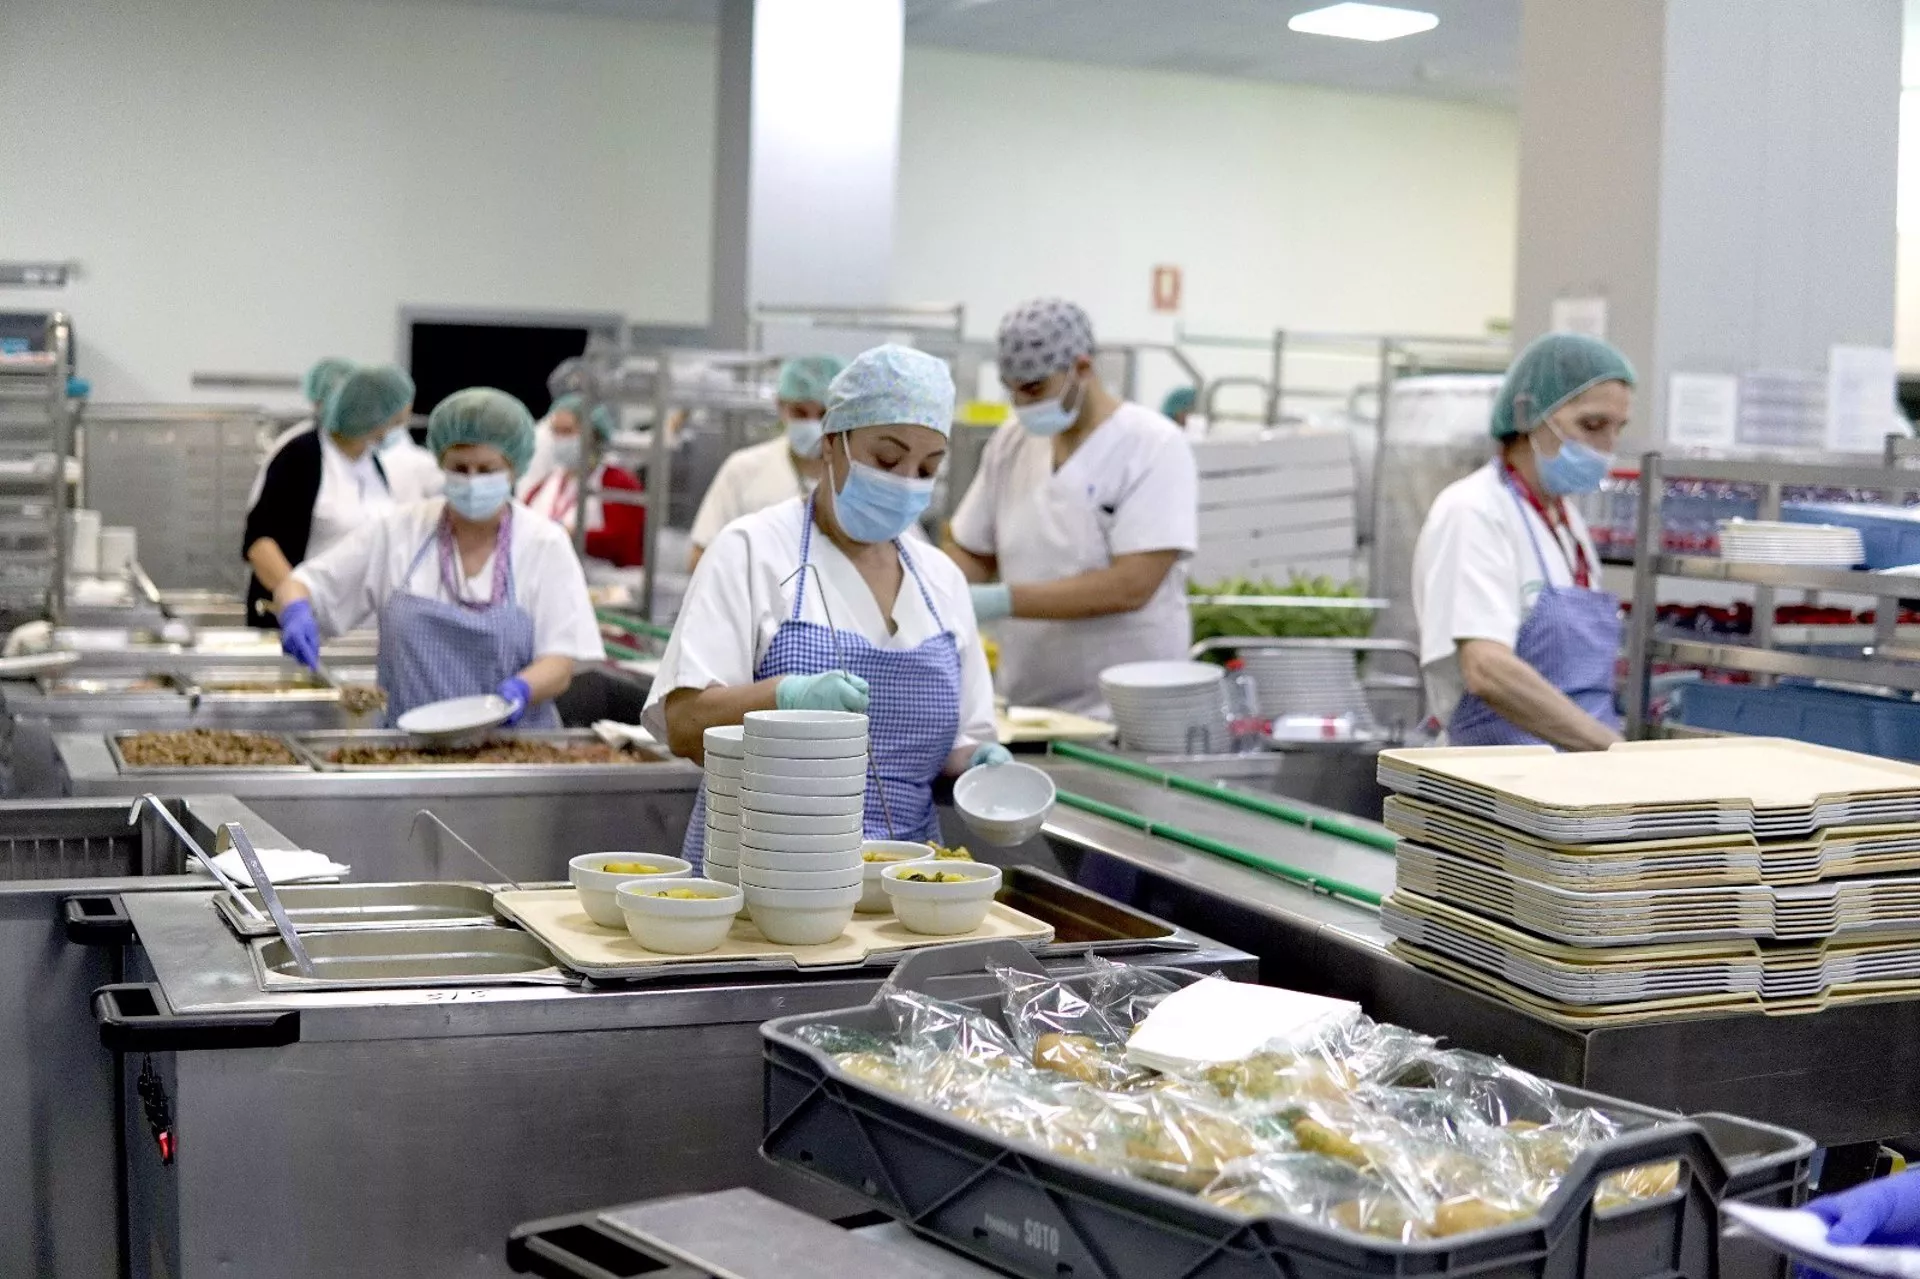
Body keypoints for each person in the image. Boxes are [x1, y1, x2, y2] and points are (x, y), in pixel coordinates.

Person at [642, 344, 1003, 867]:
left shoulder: (940, 580)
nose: (904, 480)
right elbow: (683, 723)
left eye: (927, 468)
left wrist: (980, 764)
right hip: (765, 874)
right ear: (832, 444)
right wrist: (784, 696)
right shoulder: (752, 550)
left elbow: (954, 743)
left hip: (906, 886)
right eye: (886, 458)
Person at [272, 387, 604, 728]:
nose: (473, 480)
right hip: (409, 754)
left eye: (487, 469)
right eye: (460, 468)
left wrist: (520, 690)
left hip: (514, 753)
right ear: (441, 464)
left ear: (514, 469)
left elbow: (560, 662)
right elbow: (301, 584)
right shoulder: (400, 531)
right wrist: (296, 610)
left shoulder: (543, 544)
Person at [945, 298, 1199, 717]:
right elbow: (973, 548)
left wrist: (1001, 601)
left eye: (1034, 389)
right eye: (1012, 390)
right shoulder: (1011, 444)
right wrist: (933, 589)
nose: (1022, 405)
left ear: (1082, 369)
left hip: (1128, 710)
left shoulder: (1153, 446)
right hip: (1030, 704)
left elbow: (1133, 584)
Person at [1411, 332, 1636, 750]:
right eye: (1591, 426)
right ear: (1529, 413)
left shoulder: (1567, 523)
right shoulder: (1474, 511)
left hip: (1571, 775)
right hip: (1496, 780)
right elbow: (1487, 668)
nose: (1607, 449)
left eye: (1617, 430)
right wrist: (1608, 748)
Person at [243, 363, 415, 628]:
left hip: (358, 628)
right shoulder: (302, 455)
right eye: (394, 422)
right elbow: (260, 544)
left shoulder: (372, 464)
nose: (396, 431)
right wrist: (296, 604)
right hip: (305, 621)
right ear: (371, 417)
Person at [687, 355, 846, 571]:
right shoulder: (743, 469)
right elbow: (700, 557)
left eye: (823, 414)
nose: (812, 424)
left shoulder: (854, 479)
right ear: (781, 407)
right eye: (800, 412)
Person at [517, 394, 646, 567]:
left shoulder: (617, 483)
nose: (559, 439)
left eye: (567, 432)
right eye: (556, 431)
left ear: (594, 435)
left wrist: (576, 536)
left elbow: (625, 542)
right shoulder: (549, 481)